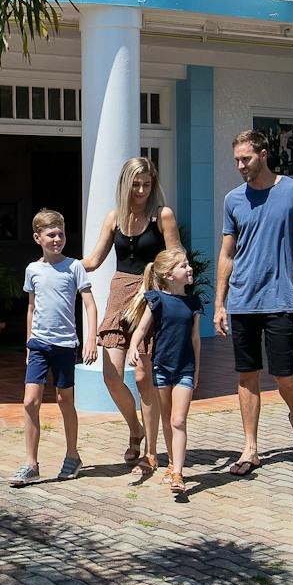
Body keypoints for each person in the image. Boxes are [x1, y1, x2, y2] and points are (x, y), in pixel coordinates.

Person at [213, 128, 293, 476]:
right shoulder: (233, 200)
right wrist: (220, 303)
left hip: (280, 298)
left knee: (284, 373)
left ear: (263, 154)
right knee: (247, 375)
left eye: (246, 159)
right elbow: (227, 253)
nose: (241, 166)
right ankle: (250, 448)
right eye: (237, 161)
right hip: (242, 300)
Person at [82, 157, 183, 472]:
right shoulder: (113, 218)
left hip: (150, 298)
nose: (141, 191)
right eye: (136, 184)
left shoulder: (161, 216)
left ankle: (150, 452)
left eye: (147, 184)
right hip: (118, 296)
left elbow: (176, 254)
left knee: (142, 376)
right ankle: (135, 429)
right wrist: (59, 264)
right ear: (125, 184)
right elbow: (95, 259)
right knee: (111, 376)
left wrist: (170, 292)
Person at [11, 208, 98, 488]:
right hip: (38, 344)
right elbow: (31, 308)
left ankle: (72, 455)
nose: (57, 239)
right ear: (38, 238)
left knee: (65, 401)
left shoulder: (74, 267)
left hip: (64, 345)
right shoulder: (33, 270)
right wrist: (28, 344)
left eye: (60, 233)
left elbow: (89, 304)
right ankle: (31, 463)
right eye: (51, 234)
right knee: (29, 402)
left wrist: (91, 339)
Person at [124, 248, 202, 499]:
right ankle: (170, 464)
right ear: (169, 275)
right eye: (183, 266)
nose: (189, 268)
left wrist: (197, 371)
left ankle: (178, 473)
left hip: (185, 370)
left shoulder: (194, 303)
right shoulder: (156, 300)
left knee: (178, 420)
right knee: (168, 419)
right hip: (161, 368)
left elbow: (196, 340)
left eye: (188, 264)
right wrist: (133, 347)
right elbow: (141, 329)